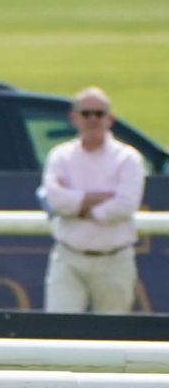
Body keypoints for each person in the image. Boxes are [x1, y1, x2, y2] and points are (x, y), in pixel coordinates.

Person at [39, 86, 147, 314]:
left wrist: (78, 207)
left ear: (110, 118)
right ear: (74, 118)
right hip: (68, 258)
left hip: (114, 260)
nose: (92, 119)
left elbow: (126, 204)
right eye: (86, 113)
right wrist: (97, 200)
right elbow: (54, 199)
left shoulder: (128, 158)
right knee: (58, 331)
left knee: (112, 335)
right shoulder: (60, 156)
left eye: (99, 113)